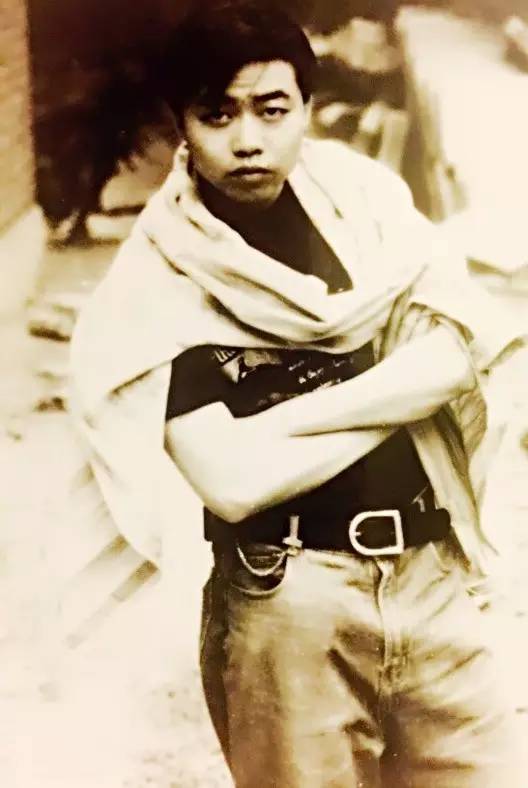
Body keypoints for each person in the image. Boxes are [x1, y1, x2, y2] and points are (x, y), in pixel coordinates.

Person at [70, 2, 524, 785]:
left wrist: (286, 424)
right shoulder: (156, 284)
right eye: (218, 114)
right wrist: (394, 395)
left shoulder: (368, 205)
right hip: (288, 603)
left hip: (432, 582)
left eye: (272, 109)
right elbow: (232, 483)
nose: (248, 138)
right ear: (182, 125)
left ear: (306, 109)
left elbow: (454, 359)